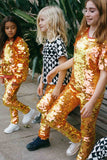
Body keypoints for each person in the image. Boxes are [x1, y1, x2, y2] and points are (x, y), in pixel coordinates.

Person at [28, 0, 107, 159]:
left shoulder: (104, 40)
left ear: (102, 12)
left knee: (87, 131)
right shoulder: (84, 33)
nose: (87, 14)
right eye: (86, 10)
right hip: (73, 87)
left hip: (90, 94)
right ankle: (77, 139)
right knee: (52, 117)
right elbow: (76, 59)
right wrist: (57, 69)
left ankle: (84, 151)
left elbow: (104, 75)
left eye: (92, 11)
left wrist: (92, 102)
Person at [26, 6, 71, 150]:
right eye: (39, 20)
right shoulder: (47, 43)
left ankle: (75, 137)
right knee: (45, 109)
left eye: (42, 19)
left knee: (43, 106)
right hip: (49, 83)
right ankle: (43, 137)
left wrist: (58, 88)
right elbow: (46, 65)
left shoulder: (58, 43)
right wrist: (41, 83)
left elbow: (63, 67)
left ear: (52, 20)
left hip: (59, 84)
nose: (39, 23)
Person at [0, 16, 35, 134]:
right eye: (7, 28)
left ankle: (28, 111)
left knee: (6, 99)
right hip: (6, 76)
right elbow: (2, 59)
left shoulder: (20, 43)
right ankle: (14, 123)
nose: (10, 30)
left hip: (15, 78)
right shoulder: (4, 42)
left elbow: (22, 63)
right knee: (11, 99)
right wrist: (1, 75)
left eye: (13, 27)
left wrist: (17, 79)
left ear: (17, 28)